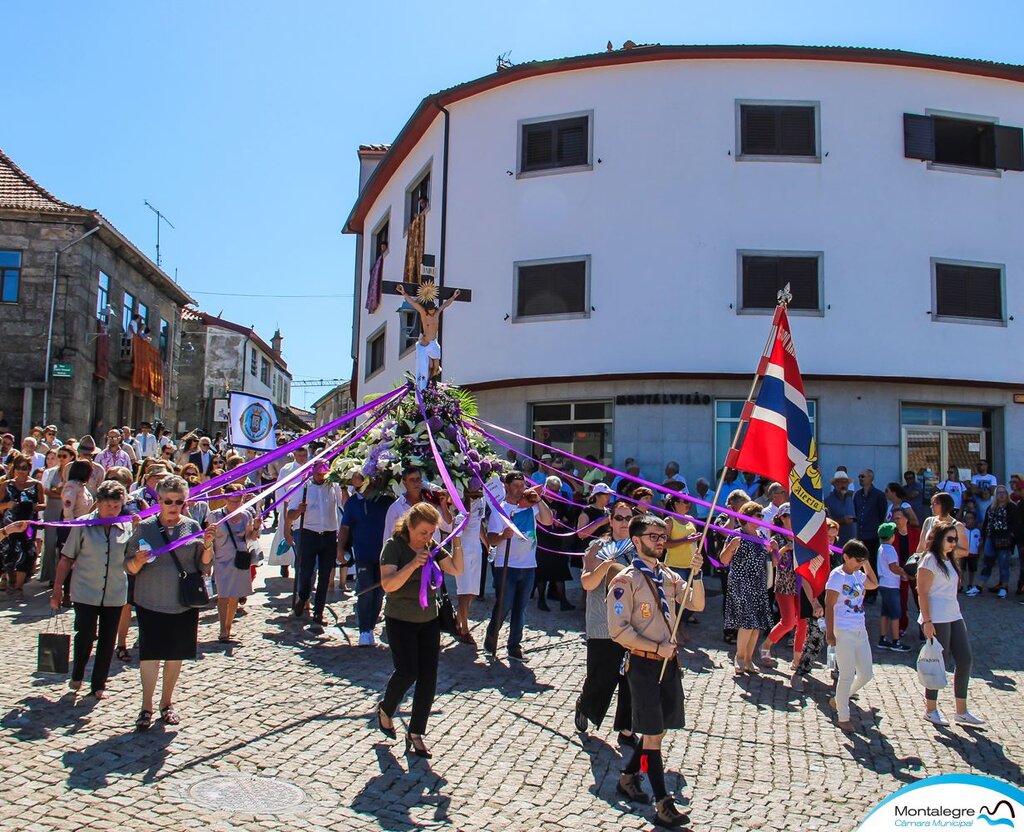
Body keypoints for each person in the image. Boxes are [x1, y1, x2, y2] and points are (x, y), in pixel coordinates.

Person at [606, 514, 697, 828]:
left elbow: (695, 603)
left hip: (668, 663)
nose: (660, 541)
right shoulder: (624, 581)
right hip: (644, 664)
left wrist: (696, 574)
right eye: (653, 536)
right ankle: (662, 803)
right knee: (654, 735)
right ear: (636, 540)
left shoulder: (669, 577)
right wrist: (657, 648)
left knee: (654, 730)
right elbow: (619, 631)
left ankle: (629, 776)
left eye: (662, 536)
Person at [125, 474, 215, 730]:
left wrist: (208, 546)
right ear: (159, 501)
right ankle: (146, 706)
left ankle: (167, 702)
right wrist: (138, 561)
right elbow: (129, 566)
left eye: (178, 502)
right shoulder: (145, 527)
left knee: (175, 655)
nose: (173, 507)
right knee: (150, 656)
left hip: (182, 602)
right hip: (150, 601)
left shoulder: (192, 527)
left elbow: (203, 565)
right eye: (168, 501)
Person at [377, 502, 463, 758]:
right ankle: (386, 708)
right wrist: (413, 564)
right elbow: (388, 584)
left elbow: (456, 569)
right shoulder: (394, 547)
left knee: (428, 677)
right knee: (407, 671)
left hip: (428, 620)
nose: (427, 537)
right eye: (423, 532)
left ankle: (416, 732)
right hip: (400, 618)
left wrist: (456, 541)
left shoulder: (432, 547)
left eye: (431, 532)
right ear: (411, 526)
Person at [50, 481, 133, 698]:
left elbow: (133, 557)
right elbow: (67, 558)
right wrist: (58, 588)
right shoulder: (82, 525)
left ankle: (98, 685)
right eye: (109, 506)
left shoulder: (127, 526)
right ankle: (77, 674)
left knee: (108, 639)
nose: (113, 511)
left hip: (115, 592)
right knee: (85, 634)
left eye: (117, 506)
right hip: (85, 590)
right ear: (99, 504)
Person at [576, 504, 636, 745]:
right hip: (603, 622)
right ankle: (586, 703)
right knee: (602, 677)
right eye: (619, 518)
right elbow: (587, 584)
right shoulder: (597, 548)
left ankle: (626, 728)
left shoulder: (639, 548)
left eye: (628, 518)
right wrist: (605, 566)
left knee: (632, 677)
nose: (623, 522)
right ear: (610, 520)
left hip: (633, 624)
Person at [918, 520, 984, 726]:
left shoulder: (949, 559)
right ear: (939, 538)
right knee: (938, 662)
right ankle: (931, 709)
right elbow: (923, 592)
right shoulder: (929, 560)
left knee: (965, 659)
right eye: (950, 539)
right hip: (936, 617)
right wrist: (927, 621)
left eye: (955, 539)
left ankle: (961, 711)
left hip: (954, 614)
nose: (953, 543)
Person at [484, 472, 553, 661]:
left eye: (522, 485)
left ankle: (514, 645)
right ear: (506, 486)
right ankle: (492, 635)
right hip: (506, 565)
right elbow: (491, 538)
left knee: (520, 607)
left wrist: (539, 500)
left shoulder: (531, 506)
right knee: (504, 604)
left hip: (528, 565)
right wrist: (501, 536)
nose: (520, 489)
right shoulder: (500, 509)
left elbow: (548, 520)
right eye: (515, 485)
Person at [825, 539, 879, 733]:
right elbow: (829, 605)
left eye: (862, 560)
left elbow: (873, 584)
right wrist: (830, 633)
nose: (859, 563)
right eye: (857, 560)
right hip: (843, 630)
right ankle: (843, 716)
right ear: (846, 557)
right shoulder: (837, 576)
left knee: (866, 673)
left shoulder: (858, 574)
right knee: (846, 674)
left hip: (859, 629)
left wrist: (867, 565)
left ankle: (840, 699)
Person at [286, 461, 346, 631]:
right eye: (319, 473)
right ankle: (303, 596)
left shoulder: (333, 486)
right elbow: (290, 514)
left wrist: (343, 487)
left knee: (325, 575)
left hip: (328, 535)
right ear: (312, 472)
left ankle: (318, 612)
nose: (322, 477)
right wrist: (298, 511)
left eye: (324, 473)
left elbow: (344, 504)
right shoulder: (303, 488)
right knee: (306, 571)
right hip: (308, 533)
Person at [339, 480, 394, 647]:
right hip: (363, 553)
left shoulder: (385, 501)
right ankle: (363, 630)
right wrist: (340, 549)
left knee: (379, 592)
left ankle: (370, 628)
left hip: (384, 555)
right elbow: (345, 527)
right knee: (365, 590)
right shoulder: (353, 503)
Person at [720, 501, 774, 675]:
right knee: (746, 623)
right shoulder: (737, 535)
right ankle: (740, 657)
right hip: (741, 583)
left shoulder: (761, 536)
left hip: (758, 584)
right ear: (748, 517)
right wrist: (732, 546)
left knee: (756, 624)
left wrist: (775, 550)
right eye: (758, 515)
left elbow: (771, 560)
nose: (761, 518)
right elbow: (723, 560)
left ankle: (749, 659)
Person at [792, 518, 840, 690]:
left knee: (838, 642)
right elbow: (806, 580)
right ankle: (800, 673)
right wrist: (814, 603)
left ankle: (838, 678)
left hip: (833, 604)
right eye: (828, 537)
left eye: (834, 538)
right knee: (815, 640)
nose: (831, 541)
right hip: (816, 601)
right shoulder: (813, 555)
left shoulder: (837, 555)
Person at [209, 484, 259, 643]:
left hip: (240, 558)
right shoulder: (215, 516)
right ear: (225, 499)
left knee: (235, 594)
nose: (235, 504)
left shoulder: (246, 516)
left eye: (238, 501)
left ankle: (229, 627)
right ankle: (223, 630)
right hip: (222, 558)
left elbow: (250, 537)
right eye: (232, 501)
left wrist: (256, 527)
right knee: (223, 594)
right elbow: (209, 539)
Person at [760, 504, 809, 666]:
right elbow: (774, 563)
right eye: (789, 516)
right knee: (788, 622)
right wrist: (785, 549)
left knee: (803, 621)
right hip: (784, 585)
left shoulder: (801, 536)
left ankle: (797, 658)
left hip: (802, 584)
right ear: (782, 518)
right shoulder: (776, 539)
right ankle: (766, 645)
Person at [394, 284, 461, 389]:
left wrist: (453, 297)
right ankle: (425, 386)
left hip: (434, 343)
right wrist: (403, 293)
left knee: (436, 368)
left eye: (433, 309)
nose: (432, 311)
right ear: (427, 309)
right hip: (425, 344)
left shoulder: (437, 313)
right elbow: (413, 303)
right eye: (430, 309)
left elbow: (445, 304)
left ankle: (430, 384)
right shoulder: (423, 313)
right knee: (429, 367)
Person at [0, 454, 44, 598]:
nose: (21, 471)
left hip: (27, 524)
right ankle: (8, 581)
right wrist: (7, 504)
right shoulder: (6, 485)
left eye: (24, 468)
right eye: (18, 467)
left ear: (29, 469)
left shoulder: (36, 485)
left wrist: (33, 507)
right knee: (8, 551)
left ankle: (19, 587)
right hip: (10, 523)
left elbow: (43, 504)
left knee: (26, 552)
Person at [535, 475, 575, 612]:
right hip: (542, 540)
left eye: (557, 491)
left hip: (556, 541)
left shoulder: (560, 502)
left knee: (560, 571)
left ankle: (563, 600)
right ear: (546, 487)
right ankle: (541, 600)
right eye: (553, 490)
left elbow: (567, 517)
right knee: (542, 572)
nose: (555, 493)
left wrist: (562, 522)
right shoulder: (539, 501)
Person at [452, 484, 486, 645]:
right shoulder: (460, 505)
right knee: (464, 591)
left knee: (473, 591)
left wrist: (487, 545)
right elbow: (458, 529)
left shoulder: (482, 502)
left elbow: (480, 526)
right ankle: (464, 628)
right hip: (463, 550)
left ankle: (458, 618)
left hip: (476, 549)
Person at [971, 485, 1018, 599]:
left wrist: (1011, 537)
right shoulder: (991, 507)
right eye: (999, 493)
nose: (1001, 495)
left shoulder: (1011, 507)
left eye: (1003, 492)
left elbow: (1015, 524)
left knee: (1003, 564)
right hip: (990, 538)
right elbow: (986, 523)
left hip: (1004, 540)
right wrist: (983, 537)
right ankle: (980, 585)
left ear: (1007, 494)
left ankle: (1004, 587)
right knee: (987, 562)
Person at [662, 494, 700, 628]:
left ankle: (681, 625)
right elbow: (664, 543)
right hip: (675, 565)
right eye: (685, 502)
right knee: (677, 601)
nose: (688, 505)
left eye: (689, 502)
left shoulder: (691, 519)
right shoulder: (669, 520)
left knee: (694, 600)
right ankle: (675, 629)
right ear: (675, 503)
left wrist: (695, 539)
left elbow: (691, 539)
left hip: (691, 565)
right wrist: (686, 540)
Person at [39, 445, 74, 585]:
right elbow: (45, 490)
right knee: (50, 543)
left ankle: (63, 576)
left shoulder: (73, 472)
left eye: (64, 456)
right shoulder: (50, 472)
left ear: (72, 457)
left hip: (66, 509)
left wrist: (58, 492)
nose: (60, 459)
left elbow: (67, 492)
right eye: (59, 456)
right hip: (52, 509)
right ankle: (51, 576)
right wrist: (58, 492)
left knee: (64, 544)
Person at [875, 523, 912, 652]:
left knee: (885, 613)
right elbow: (893, 567)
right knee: (896, 614)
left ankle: (883, 638)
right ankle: (896, 641)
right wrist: (904, 573)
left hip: (884, 584)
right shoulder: (890, 549)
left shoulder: (881, 548)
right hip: (891, 586)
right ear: (892, 536)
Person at [854, 469, 887, 601]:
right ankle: (862, 591)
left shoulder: (879, 495)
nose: (860, 478)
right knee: (859, 563)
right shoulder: (857, 495)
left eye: (863, 476)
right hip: (860, 535)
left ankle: (872, 593)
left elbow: (881, 514)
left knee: (871, 562)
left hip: (872, 535)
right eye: (859, 476)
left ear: (870, 478)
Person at [890, 507, 921, 639]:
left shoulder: (916, 533)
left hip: (916, 572)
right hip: (899, 572)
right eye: (894, 518)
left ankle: (923, 629)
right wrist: (901, 572)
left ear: (906, 519)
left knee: (920, 600)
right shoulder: (892, 535)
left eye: (898, 517)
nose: (895, 520)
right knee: (901, 602)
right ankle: (902, 626)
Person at [824, 470, 856, 545]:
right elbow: (826, 523)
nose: (843, 485)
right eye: (840, 482)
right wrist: (842, 520)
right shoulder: (828, 501)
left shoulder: (850, 499)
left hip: (851, 541)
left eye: (845, 482)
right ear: (835, 485)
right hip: (836, 543)